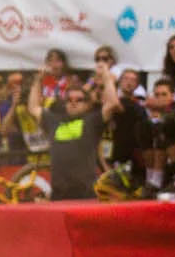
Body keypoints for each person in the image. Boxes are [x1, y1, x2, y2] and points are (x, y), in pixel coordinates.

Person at [27, 63, 120, 200]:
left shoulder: (93, 121)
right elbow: (33, 108)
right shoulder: (54, 120)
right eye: (69, 100)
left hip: (86, 194)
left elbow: (112, 103)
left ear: (88, 104)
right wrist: (37, 81)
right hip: (58, 194)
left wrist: (106, 76)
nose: (73, 102)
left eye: (79, 100)